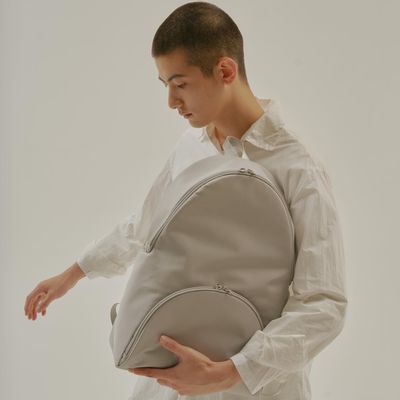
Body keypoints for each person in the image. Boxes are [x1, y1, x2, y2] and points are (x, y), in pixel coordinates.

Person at [24, 2, 348, 399]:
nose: (171, 101)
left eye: (180, 84)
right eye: (165, 85)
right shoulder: (191, 147)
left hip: (254, 391)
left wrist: (232, 371)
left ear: (225, 71)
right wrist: (73, 273)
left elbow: (324, 303)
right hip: (169, 380)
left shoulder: (298, 168)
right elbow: (147, 225)